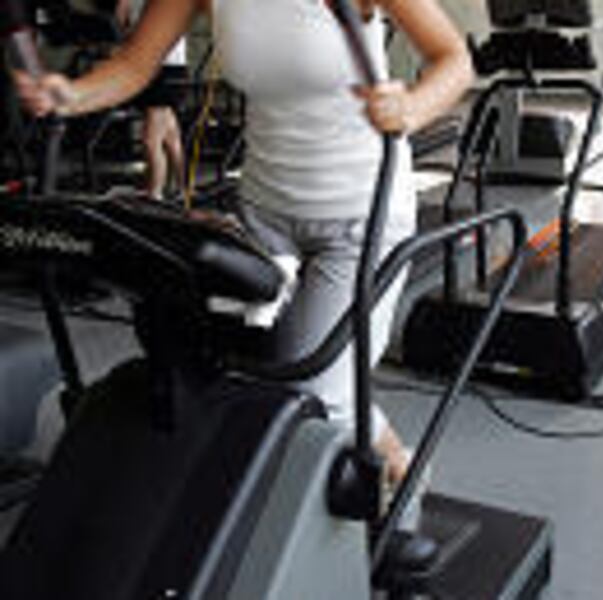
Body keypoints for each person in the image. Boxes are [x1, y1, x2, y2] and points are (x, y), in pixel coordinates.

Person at [15, 0, 473, 495]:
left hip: (360, 214)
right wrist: (68, 94)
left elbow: (454, 59)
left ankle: (400, 477)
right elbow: (134, 65)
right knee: (218, 368)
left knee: (314, 393)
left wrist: (412, 106)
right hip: (263, 211)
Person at [114, 0, 187, 200]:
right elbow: (122, 25)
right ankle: (183, 189)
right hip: (163, 65)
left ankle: (155, 194)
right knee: (171, 136)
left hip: (162, 67)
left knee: (150, 139)